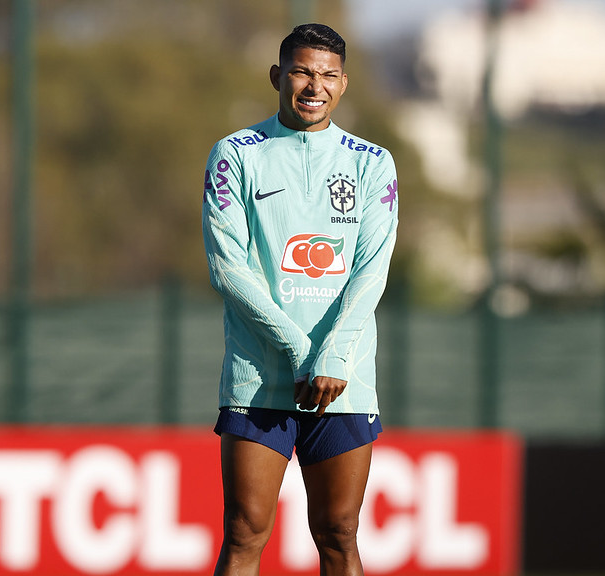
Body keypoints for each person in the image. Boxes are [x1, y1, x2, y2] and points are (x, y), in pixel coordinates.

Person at [201, 23, 398, 576]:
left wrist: (332, 358)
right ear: (277, 76)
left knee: (339, 535)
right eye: (302, 72)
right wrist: (297, 349)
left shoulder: (372, 162)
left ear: (344, 84)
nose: (315, 86)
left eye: (328, 75)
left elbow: (371, 270)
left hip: (343, 380)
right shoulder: (236, 154)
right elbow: (227, 267)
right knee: (244, 532)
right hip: (260, 376)